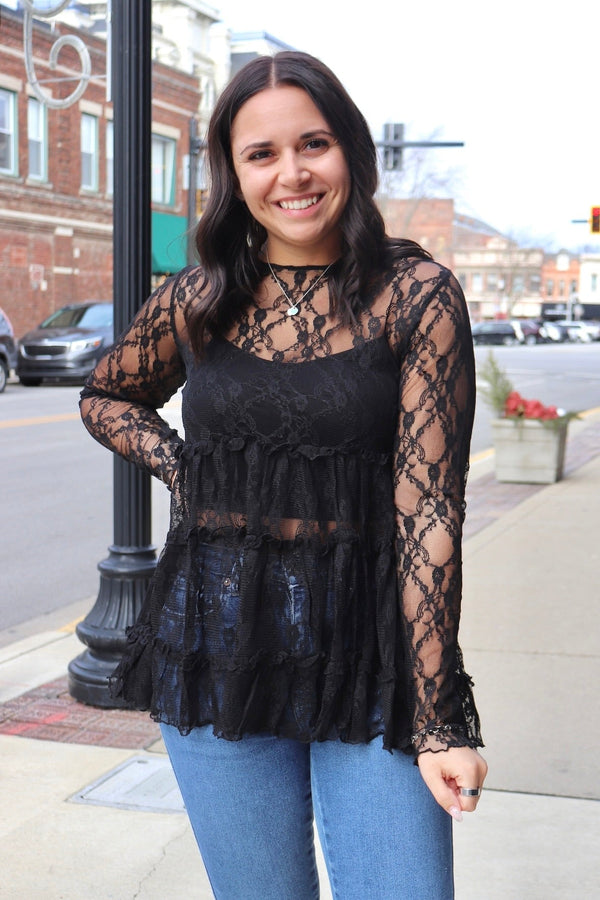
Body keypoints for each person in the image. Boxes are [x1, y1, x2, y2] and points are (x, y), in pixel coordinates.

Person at [80, 50, 487, 900]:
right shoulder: (199, 297)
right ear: (233, 173)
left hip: (370, 656)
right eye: (261, 154)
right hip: (216, 642)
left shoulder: (416, 296)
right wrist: (183, 466)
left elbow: (428, 519)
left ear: (352, 153)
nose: (292, 174)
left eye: (314, 144)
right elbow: (107, 395)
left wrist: (441, 713)